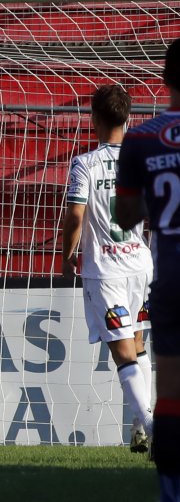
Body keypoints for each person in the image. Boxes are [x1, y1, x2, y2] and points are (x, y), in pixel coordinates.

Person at [60, 85, 154, 453]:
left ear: (94, 119)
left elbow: (75, 215)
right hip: (141, 264)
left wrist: (67, 254)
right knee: (140, 343)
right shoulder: (141, 160)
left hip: (107, 269)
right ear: (128, 119)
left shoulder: (85, 163)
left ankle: (151, 425)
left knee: (123, 353)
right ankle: (139, 428)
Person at [116, 37, 180, 502]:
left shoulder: (141, 136)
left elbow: (125, 215)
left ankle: (170, 490)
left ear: (165, 80)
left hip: (173, 277)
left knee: (172, 391)